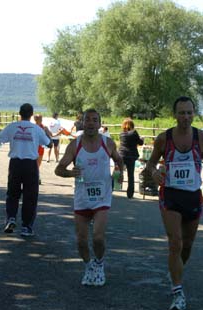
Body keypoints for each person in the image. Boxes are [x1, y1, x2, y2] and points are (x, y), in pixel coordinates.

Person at [145, 96, 203, 310]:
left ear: (193, 113)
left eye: (189, 112)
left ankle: (175, 270)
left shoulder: (202, 137)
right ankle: (177, 291)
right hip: (170, 195)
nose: (185, 117)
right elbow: (150, 163)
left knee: (187, 246)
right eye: (181, 112)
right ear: (175, 114)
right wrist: (155, 172)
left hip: (193, 196)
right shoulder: (164, 138)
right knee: (175, 243)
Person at [55, 109, 124, 286]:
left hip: (102, 197)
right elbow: (59, 169)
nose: (91, 123)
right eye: (88, 120)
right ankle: (89, 267)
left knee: (98, 238)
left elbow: (118, 160)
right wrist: (70, 173)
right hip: (82, 198)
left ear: (100, 124)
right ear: (82, 123)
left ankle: (99, 264)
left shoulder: (108, 143)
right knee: (81, 240)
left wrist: (119, 172)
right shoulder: (74, 145)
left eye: (95, 120)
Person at [0, 103, 50, 237]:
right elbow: (49, 143)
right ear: (31, 114)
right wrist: (47, 134)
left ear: (20, 113)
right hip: (30, 164)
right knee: (30, 196)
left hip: (15, 164)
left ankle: (11, 218)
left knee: (12, 193)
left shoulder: (12, 127)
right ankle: (26, 226)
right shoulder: (36, 129)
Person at [118, 118, 144, 199]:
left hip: (121, 155)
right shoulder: (134, 133)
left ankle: (113, 188)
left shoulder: (121, 134)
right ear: (132, 125)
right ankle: (130, 193)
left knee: (119, 172)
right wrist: (142, 139)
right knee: (131, 175)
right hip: (131, 156)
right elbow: (140, 143)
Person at [33, 113, 53, 184]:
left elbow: (51, 134)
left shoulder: (43, 127)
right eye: (40, 118)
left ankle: (36, 176)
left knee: (38, 164)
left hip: (41, 147)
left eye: (41, 118)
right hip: (33, 147)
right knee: (34, 163)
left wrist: (47, 130)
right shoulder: (32, 127)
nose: (41, 120)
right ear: (36, 119)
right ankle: (36, 177)